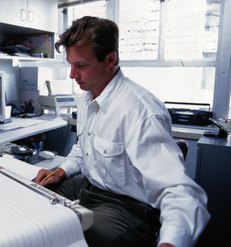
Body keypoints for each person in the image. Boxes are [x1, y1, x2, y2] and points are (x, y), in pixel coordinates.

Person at [34, 16, 210, 247]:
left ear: (110, 60)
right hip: (89, 187)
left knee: (68, 238)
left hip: (128, 206)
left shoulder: (141, 112)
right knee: (32, 196)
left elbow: (180, 192)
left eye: (81, 66)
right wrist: (62, 171)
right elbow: (83, 148)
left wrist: (172, 243)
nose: (72, 75)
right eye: (70, 64)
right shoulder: (86, 98)